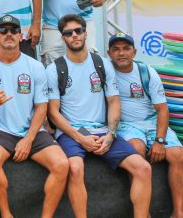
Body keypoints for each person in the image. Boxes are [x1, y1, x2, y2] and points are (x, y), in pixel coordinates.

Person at [46, 14, 152, 218]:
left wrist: (111, 134)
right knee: (75, 168)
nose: (74, 36)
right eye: (68, 33)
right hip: (72, 132)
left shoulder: (102, 64)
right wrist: (80, 138)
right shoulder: (54, 69)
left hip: (102, 130)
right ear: (62, 38)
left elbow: (114, 102)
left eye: (78, 31)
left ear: (86, 33)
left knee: (143, 168)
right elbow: (53, 112)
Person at [0, 15, 69, 218]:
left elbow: (41, 108)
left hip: (32, 130)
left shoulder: (35, 67)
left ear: (21, 35)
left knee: (61, 165)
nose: (9, 34)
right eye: (4, 31)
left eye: (14, 30)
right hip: (0, 131)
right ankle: (6, 214)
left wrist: (28, 139)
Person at [108, 32, 183, 217]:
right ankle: (144, 212)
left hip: (151, 122)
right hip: (127, 124)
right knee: (136, 149)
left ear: (134, 51)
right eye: (116, 49)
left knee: (178, 155)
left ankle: (178, 212)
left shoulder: (147, 72)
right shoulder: (105, 71)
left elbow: (162, 110)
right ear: (109, 53)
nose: (121, 53)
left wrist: (159, 140)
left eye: (126, 48)